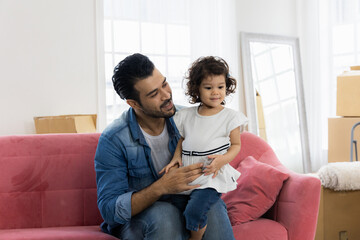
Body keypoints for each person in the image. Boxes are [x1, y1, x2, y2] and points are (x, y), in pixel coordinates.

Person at [94, 53, 236, 240]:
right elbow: (110, 210)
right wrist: (161, 187)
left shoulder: (190, 119)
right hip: (141, 219)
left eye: (164, 83)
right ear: (133, 103)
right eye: (154, 94)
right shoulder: (114, 139)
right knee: (165, 215)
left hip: (186, 202)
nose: (166, 95)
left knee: (213, 208)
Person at [159, 56, 248, 240]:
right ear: (197, 89)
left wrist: (222, 160)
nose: (215, 92)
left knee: (195, 211)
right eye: (208, 88)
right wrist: (176, 157)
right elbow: (183, 139)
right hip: (188, 171)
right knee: (170, 203)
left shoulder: (230, 117)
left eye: (220, 87)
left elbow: (236, 145)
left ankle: (195, 238)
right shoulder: (187, 115)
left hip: (210, 174)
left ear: (227, 86)